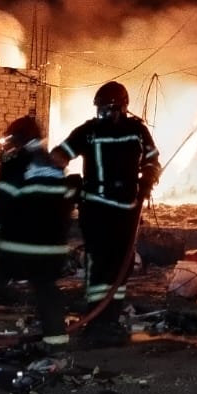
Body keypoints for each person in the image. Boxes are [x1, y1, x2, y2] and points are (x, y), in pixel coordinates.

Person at [52, 81, 161, 344]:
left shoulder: (137, 131)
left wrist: (148, 178)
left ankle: (110, 319)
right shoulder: (88, 131)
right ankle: (96, 322)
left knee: (121, 267)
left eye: (109, 110)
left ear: (122, 108)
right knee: (99, 266)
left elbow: (152, 159)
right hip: (97, 211)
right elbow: (58, 156)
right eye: (101, 111)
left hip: (126, 212)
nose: (104, 115)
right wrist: (65, 182)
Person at [0, 115, 78, 346]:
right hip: (52, 250)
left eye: (9, 140)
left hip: (19, 248)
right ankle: (56, 344)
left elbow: (2, 201)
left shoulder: (15, 163)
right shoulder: (54, 166)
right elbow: (66, 206)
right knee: (46, 291)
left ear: (18, 140)